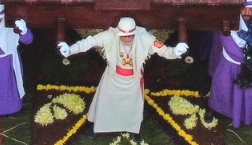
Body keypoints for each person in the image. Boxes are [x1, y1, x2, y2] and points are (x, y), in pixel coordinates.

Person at [57, 16, 189, 134]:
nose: (126, 39)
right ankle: (101, 128)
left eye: (130, 36)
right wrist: (70, 50)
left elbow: (164, 51)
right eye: (123, 36)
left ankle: (131, 130)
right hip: (112, 77)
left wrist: (175, 52)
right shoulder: (109, 35)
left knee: (131, 108)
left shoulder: (146, 38)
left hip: (133, 79)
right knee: (107, 105)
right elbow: (89, 42)